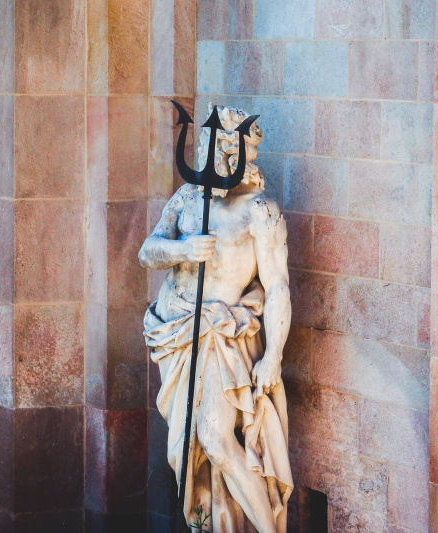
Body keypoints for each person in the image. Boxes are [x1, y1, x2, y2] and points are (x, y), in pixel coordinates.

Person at [140, 104, 293, 533]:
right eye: (208, 147)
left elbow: (278, 287)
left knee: (215, 439)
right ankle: (208, 524)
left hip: (217, 339)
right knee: (185, 450)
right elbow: (148, 251)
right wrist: (183, 250)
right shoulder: (189, 197)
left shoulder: (259, 211)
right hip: (174, 334)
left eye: (224, 149)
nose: (212, 158)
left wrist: (273, 358)